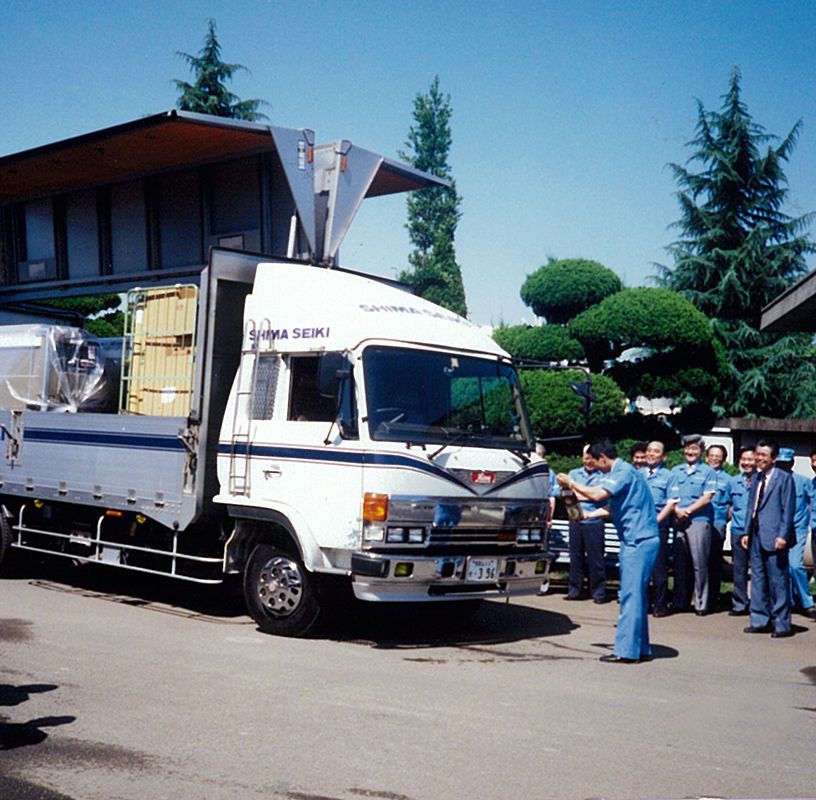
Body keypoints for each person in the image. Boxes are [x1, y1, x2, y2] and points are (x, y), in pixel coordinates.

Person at [557, 438, 660, 663]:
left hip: (638, 540)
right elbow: (605, 506)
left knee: (630, 596)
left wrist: (571, 483)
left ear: (603, 458)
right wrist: (586, 514)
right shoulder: (626, 473)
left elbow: (595, 496)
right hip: (637, 539)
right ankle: (640, 647)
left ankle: (626, 651)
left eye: (595, 463)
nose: (595, 467)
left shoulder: (622, 472)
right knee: (637, 597)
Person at [743, 439, 796, 638]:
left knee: (778, 581)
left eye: (763, 455)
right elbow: (752, 507)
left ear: (774, 458)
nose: (759, 458)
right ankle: (759, 620)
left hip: (775, 536)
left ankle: (782, 624)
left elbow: (787, 510)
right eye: (757, 454)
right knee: (757, 579)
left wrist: (783, 535)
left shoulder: (784, 478)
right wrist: (747, 532)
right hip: (756, 534)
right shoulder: (756, 478)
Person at [668, 434, 718, 615]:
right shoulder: (676, 470)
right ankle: (680, 601)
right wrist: (676, 511)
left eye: (695, 448)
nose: (690, 451)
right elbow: (670, 496)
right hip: (679, 520)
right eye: (688, 448)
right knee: (680, 563)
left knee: (699, 563)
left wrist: (686, 510)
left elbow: (707, 497)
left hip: (698, 520)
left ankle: (701, 603)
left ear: (701, 451)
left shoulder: (708, 472)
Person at [557, 445, 611, 603]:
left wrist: (581, 493)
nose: (588, 461)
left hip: (594, 520)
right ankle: (574, 590)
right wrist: (589, 493)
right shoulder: (573, 474)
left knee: (596, 558)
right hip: (575, 518)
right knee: (576, 557)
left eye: (591, 458)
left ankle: (598, 593)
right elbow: (564, 493)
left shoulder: (604, 475)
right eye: (585, 458)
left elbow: (599, 497)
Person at [776, 448, 816, 620]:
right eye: (780, 464)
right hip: (777, 531)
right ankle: (790, 601)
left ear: (792, 463)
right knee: (781, 566)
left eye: (786, 464)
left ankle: (807, 603)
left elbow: (811, 503)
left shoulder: (804, 482)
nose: (783, 467)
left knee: (795, 565)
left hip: (797, 529)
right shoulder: (773, 481)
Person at [641, 440, 676, 616]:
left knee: (659, 567)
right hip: (640, 527)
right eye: (649, 450)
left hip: (658, 525)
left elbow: (671, 503)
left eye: (656, 451)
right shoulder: (638, 474)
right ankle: (644, 604)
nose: (651, 454)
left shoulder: (669, 476)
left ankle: (660, 605)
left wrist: (655, 521)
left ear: (663, 456)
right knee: (642, 567)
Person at [727, 446, 756, 616]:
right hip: (737, 529)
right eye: (743, 459)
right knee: (739, 568)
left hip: (756, 531)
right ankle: (739, 604)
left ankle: (758, 603)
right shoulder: (733, 482)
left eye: (750, 459)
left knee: (759, 569)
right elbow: (728, 506)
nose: (746, 463)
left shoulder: (761, 481)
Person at [705, 444, 731, 612]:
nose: (714, 458)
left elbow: (731, 505)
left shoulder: (728, 480)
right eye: (712, 455)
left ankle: (713, 598)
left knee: (714, 562)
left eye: (718, 455)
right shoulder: (701, 475)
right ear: (706, 457)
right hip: (698, 523)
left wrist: (723, 520)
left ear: (723, 459)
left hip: (717, 523)